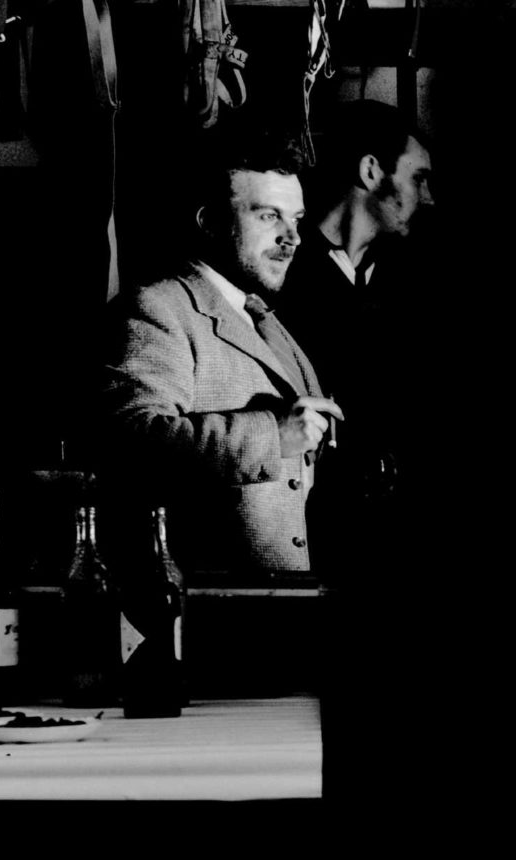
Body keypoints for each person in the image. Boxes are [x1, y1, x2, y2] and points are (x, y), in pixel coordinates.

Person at [100, 141, 337, 572]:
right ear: (210, 222)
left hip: (286, 598)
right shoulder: (159, 307)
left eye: (296, 219)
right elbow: (130, 443)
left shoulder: (262, 318)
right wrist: (273, 436)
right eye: (269, 216)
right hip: (207, 602)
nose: (293, 238)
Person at [277, 99, 434, 579]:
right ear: (370, 171)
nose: (428, 198)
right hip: (310, 536)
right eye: (418, 179)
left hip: (395, 540)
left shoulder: (413, 280)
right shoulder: (283, 277)